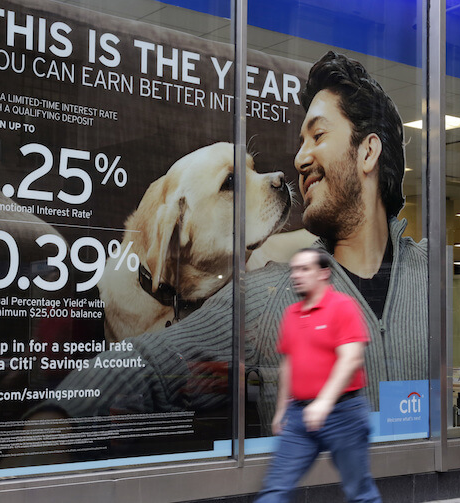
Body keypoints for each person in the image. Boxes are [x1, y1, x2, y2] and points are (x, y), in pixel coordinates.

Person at [31, 51, 427, 434]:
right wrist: (51, 425)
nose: (298, 159)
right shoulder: (267, 294)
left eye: (318, 135)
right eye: (301, 141)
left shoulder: (433, 279)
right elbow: (149, 362)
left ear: (368, 151)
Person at [255, 248, 381, 503]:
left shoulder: (343, 306)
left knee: (359, 493)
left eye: (304, 269)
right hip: (299, 416)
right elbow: (288, 365)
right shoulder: (291, 313)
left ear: (324, 273)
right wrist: (281, 410)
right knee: (275, 489)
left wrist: (323, 402)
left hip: (343, 414)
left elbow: (351, 359)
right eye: (294, 270)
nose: (296, 275)